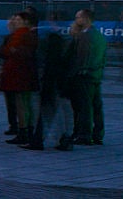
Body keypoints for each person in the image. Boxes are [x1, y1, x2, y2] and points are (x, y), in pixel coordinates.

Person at [66, 8, 106, 145]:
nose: (76, 20)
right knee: (96, 106)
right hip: (95, 75)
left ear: (85, 18)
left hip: (84, 75)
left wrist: (74, 73)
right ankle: (98, 133)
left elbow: (80, 58)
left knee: (84, 106)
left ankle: (84, 134)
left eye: (78, 17)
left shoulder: (84, 36)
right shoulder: (98, 35)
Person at [0, 10, 39, 144]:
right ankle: (24, 129)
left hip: (19, 75)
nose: (15, 22)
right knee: (21, 103)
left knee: (22, 104)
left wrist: (12, 51)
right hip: (18, 74)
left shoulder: (24, 35)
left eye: (18, 20)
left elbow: (11, 51)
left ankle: (24, 130)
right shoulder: (19, 35)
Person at [37, 22, 73, 150]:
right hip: (62, 88)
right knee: (63, 114)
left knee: (50, 114)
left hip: (52, 89)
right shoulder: (64, 57)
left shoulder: (50, 61)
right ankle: (65, 138)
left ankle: (44, 138)